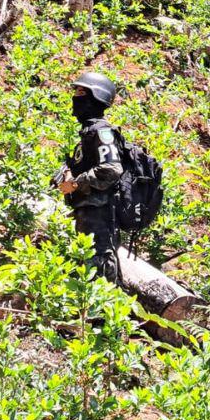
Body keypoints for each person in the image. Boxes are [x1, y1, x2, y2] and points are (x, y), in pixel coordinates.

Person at [55, 72, 123, 283]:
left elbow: (112, 168)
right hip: (88, 212)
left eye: (81, 92)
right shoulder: (88, 133)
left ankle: (104, 315)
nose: (76, 97)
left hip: (100, 213)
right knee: (87, 264)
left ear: (96, 97)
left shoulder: (102, 132)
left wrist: (76, 183)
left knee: (100, 265)